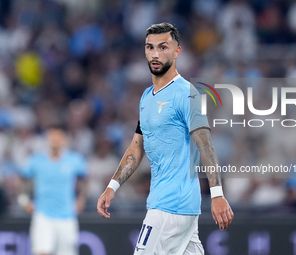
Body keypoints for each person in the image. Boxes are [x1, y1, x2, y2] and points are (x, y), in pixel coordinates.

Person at [97, 22, 234, 254]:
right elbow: (137, 146)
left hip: (170, 206)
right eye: (150, 48)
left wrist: (217, 194)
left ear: (177, 51)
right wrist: (112, 187)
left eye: (163, 47)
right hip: (181, 209)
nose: (155, 54)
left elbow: (206, 146)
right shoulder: (146, 97)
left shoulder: (186, 94)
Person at [19, 125, 87, 255]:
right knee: (42, 252)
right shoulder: (36, 160)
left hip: (67, 216)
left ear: (64, 140)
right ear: (47, 139)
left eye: (58, 137)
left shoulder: (75, 160)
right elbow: (23, 180)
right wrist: (24, 201)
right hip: (43, 215)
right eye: (52, 137)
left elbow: (83, 180)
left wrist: (81, 200)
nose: (55, 141)